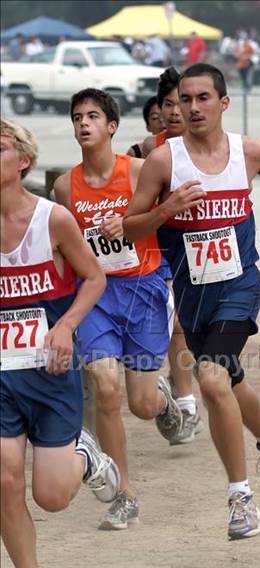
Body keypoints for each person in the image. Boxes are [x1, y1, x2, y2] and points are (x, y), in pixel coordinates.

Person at [123, 63, 260, 540]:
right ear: (174, 106)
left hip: (239, 287)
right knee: (227, 382)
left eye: (203, 98)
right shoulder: (164, 162)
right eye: (185, 99)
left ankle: (240, 498)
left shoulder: (251, 151)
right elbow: (130, 226)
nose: (193, 107)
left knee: (211, 377)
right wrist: (166, 210)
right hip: (192, 296)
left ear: (223, 103)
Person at [54, 88, 183, 531]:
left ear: (111, 127)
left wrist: (128, 223)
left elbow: (169, 216)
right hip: (96, 295)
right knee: (105, 388)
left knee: (142, 404)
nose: (83, 123)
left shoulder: (139, 172)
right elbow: (65, 250)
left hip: (144, 290)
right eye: (76, 117)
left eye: (92, 116)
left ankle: (163, 399)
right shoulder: (63, 186)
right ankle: (124, 494)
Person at [0, 119, 120, 567]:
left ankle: (84, 456)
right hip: (1, 375)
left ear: (23, 161)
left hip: (49, 373)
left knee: (50, 498)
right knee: (5, 484)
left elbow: (94, 277)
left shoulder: (53, 219)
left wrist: (67, 325)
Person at [142, 67, 204, 445]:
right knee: (176, 324)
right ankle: (185, 402)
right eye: (168, 104)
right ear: (160, 110)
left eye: (183, 101)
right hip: (163, 249)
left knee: (197, 327)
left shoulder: (211, 144)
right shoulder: (152, 151)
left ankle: (185, 388)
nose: (176, 110)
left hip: (206, 247)